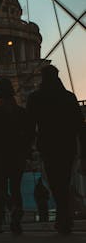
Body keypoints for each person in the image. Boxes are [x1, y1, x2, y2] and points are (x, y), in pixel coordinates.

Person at [27, 65, 85, 234]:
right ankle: (64, 217)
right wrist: (82, 149)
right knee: (65, 181)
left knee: (55, 182)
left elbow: (30, 125)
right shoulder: (68, 97)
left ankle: (63, 217)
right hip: (67, 145)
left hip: (48, 144)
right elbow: (79, 125)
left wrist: (28, 146)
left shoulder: (35, 98)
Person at [0, 78, 33, 235]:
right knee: (16, 187)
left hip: (0, 155)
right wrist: (26, 150)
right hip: (17, 155)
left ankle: (2, 218)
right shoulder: (22, 112)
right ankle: (16, 221)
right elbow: (30, 133)